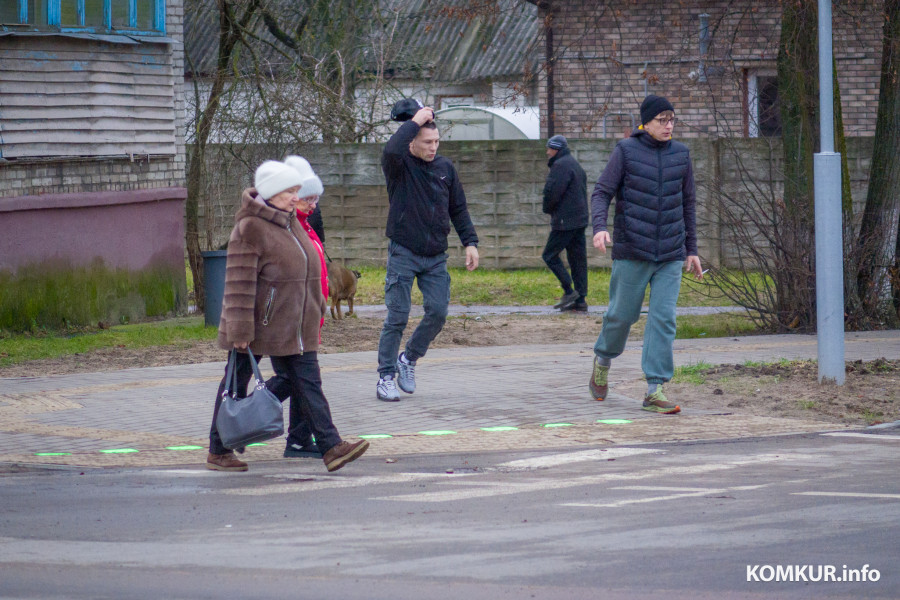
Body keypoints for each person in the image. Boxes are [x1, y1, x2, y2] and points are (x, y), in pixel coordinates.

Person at [206, 160, 369, 472]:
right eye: (290, 191)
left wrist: (317, 306)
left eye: (297, 190)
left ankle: (331, 446)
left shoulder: (290, 221)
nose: (297, 197)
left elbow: (308, 270)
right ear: (271, 192)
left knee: (309, 382)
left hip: (294, 323)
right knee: (235, 383)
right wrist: (240, 329)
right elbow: (239, 282)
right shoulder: (250, 227)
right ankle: (218, 450)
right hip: (256, 324)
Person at [588, 95, 704, 414]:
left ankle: (655, 389)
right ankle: (603, 360)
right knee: (621, 316)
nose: (669, 125)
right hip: (632, 250)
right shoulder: (626, 151)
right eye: (662, 120)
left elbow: (688, 203)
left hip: (670, 253)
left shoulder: (681, 154)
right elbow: (601, 192)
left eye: (672, 119)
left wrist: (692, 250)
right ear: (646, 123)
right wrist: (599, 227)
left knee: (663, 319)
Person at [375, 106, 480, 402]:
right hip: (404, 251)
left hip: (435, 256)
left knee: (438, 312)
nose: (433, 147)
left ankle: (408, 358)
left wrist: (470, 242)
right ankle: (385, 377)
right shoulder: (399, 165)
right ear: (412, 142)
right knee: (397, 316)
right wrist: (416, 120)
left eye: (436, 142)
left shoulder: (445, 168)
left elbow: (458, 208)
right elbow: (391, 149)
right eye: (427, 142)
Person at [263, 155, 329, 459]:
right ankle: (247, 414)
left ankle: (300, 440)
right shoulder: (284, 226)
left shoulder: (308, 223)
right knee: (295, 379)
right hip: (287, 316)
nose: (312, 205)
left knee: (301, 380)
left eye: (315, 199)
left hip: (309, 313)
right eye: (307, 199)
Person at [541, 135, 589, 312]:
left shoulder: (560, 166)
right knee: (577, 259)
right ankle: (581, 300)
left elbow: (552, 193)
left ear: (556, 149)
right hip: (580, 220)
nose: (547, 152)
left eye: (549, 148)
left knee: (549, 255)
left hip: (565, 221)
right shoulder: (574, 164)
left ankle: (569, 291)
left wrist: (547, 209)